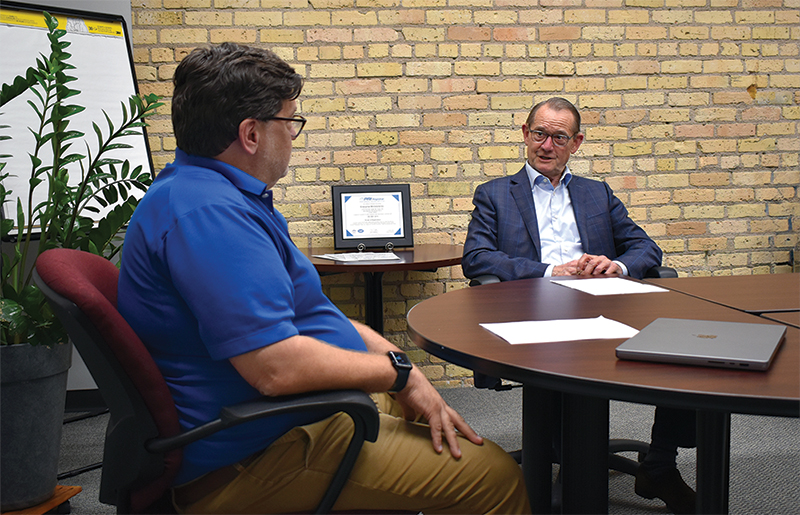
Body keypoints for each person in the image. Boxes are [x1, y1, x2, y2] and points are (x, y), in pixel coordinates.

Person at [117, 43, 530, 515]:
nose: (294, 135)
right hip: (255, 454)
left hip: (284, 421)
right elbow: (276, 369)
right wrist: (397, 373)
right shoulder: (210, 216)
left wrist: (394, 362)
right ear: (251, 133)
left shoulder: (219, 195)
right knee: (494, 477)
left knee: (419, 418)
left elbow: (308, 310)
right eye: (290, 122)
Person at [462, 97, 697, 514]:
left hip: (605, 305)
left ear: (576, 143)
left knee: (682, 346)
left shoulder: (596, 193)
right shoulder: (495, 195)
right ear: (525, 134)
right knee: (565, 360)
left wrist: (617, 263)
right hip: (533, 309)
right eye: (539, 134)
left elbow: (646, 247)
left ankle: (660, 462)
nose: (546, 145)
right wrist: (552, 271)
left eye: (558, 137)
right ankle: (562, 461)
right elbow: (478, 259)